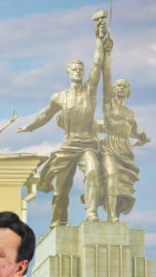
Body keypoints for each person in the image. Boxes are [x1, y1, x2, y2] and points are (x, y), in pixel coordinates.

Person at [19, 22, 106, 226]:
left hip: (87, 144)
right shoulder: (59, 97)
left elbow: (97, 64)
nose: (78, 72)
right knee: (60, 190)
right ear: (68, 72)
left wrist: (99, 40)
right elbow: (45, 115)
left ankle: (92, 213)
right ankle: (59, 222)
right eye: (74, 69)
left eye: (80, 69)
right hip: (68, 146)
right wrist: (29, 127)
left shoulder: (89, 92)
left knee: (93, 171)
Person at [98, 35, 150, 221]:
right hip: (109, 147)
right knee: (110, 176)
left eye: (124, 86)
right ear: (113, 89)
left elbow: (133, 131)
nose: (120, 88)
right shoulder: (108, 106)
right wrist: (107, 53)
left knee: (123, 185)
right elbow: (106, 77)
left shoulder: (130, 113)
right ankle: (111, 214)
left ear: (128, 91)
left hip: (125, 150)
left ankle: (117, 212)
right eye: (118, 85)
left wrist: (142, 136)